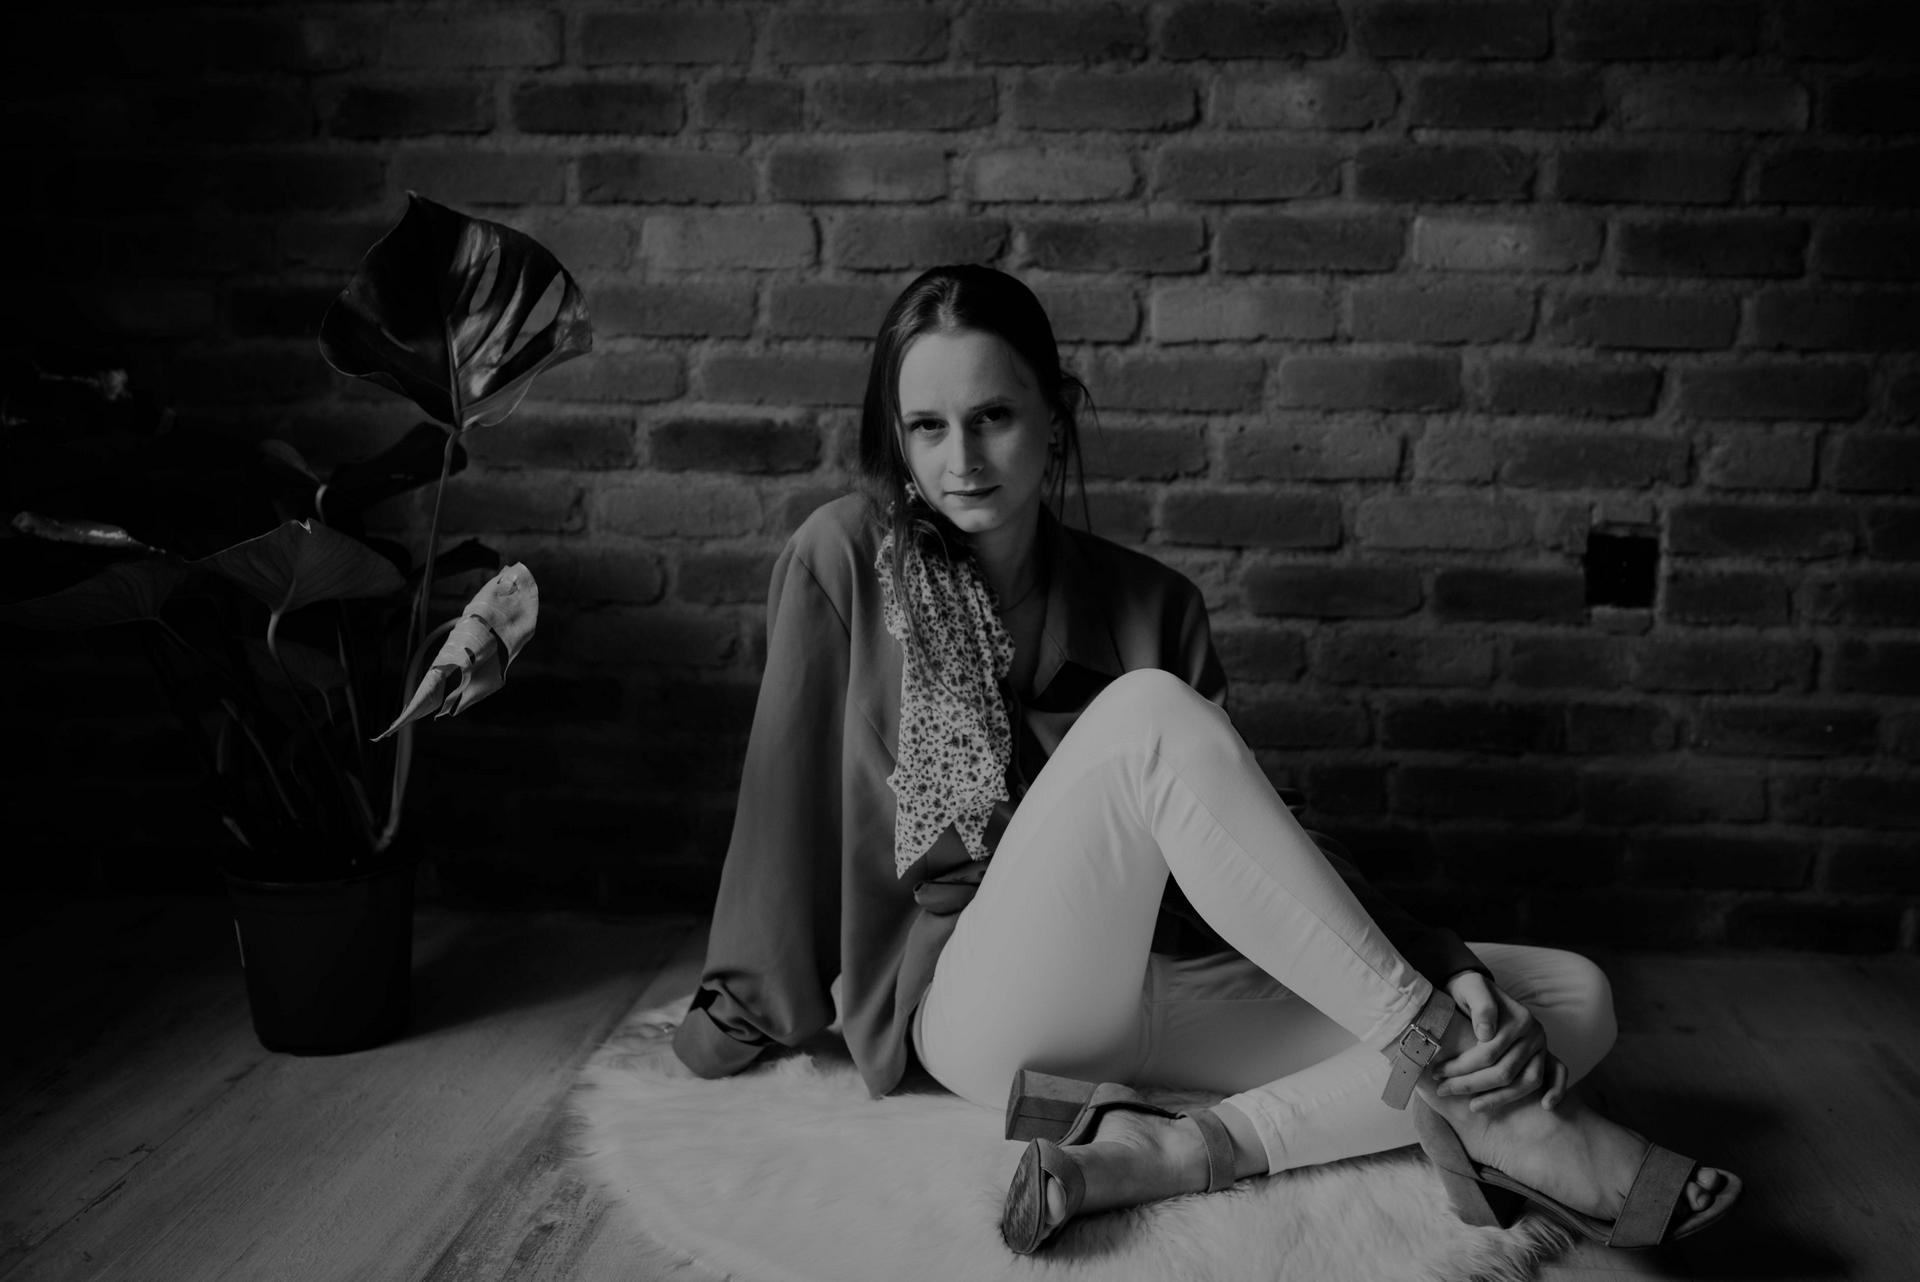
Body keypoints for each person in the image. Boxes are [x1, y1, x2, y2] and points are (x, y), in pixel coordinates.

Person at [671, 264, 1740, 1254]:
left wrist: (1440, 957)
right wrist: (738, 1011)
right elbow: (784, 807)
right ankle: (1465, 1085)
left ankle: (1180, 1149)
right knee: (1146, 715)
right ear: (899, 439)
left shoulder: (1154, 602)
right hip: (985, 1006)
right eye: (927, 426)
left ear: (1055, 418)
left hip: (1173, 984)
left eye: (993, 416)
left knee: (1562, 997)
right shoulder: (844, 560)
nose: (962, 457)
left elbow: (1259, 848)